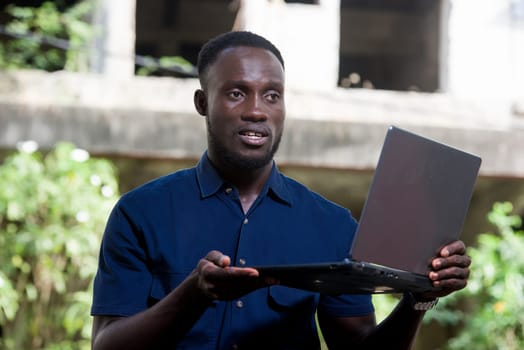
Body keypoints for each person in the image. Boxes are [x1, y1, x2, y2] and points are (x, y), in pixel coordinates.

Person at [90, 31, 471, 350]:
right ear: (203, 103)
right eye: (237, 93)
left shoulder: (332, 224)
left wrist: (419, 298)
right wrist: (194, 294)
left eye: (272, 95)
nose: (257, 110)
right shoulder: (140, 213)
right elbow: (106, 344)